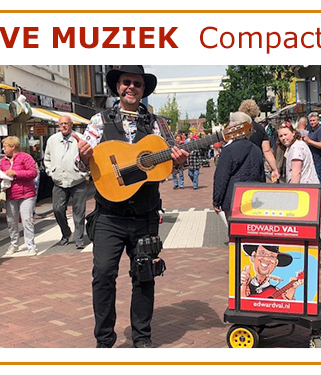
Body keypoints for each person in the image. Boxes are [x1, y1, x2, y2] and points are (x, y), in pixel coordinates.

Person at [73, 65, 189, 348]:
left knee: (145, 275)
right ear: (118, 87)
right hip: (108, 216)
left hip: (145, 215)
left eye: (137, 83)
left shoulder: (158, 125)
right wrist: (83, 156)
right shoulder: (100, 121)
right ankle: (104, 340)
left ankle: (142, 339)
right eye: (126, 82)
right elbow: (80, 165)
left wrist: (179, 162)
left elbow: (166, 166)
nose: (131, 88)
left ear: (143, 88)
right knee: (102, 275)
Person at [277, 123, 321, 267]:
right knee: (309, 225)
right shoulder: (300, 145)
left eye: (285, 134)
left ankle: (306, 255)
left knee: (301, 226)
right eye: (280, 136)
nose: (283, 138)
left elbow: (296, 171)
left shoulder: (296, 149)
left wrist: (292, 194)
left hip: (303, 191)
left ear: (293, 133)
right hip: (311, 189)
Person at [44, 115, 88, 249]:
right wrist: (51, 172)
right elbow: (47, 158)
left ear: (71, 125)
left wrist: (84, 173)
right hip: (59, 181)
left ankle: (79, 238)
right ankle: (66, 232)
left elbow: (89, 157)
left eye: (66, 123)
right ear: (58, 125)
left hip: (77, 180)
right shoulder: (52, 140)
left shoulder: (80, 138)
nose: (63, 126)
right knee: (57, 209)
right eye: (61, 124)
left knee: (79, 212)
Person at [212, 112, 266, 222]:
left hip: (233, 199)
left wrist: (216, 201)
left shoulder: (228, 150)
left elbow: (221, 177)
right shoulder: (256, 150)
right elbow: (261, 176)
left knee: (234, 233)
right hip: (253, 198)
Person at [1, 136, 39, 256]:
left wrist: (16, 173)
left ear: (13, 147)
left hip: (26, 193)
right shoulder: (3, 161)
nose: (3, 149)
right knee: (11, 221)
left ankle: (30, 245)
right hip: (11, 194)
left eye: (5, 146)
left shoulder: (26, 157)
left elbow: (33, 172)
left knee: (27, 219)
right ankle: (14, 244)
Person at [239, 99, 279, 182]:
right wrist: (274, 169)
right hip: (256, 165)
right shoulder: (260, 129)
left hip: (240, 165)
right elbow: (267, 151)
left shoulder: (237, 129)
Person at [302, 112, 321, 208]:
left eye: (314, 120)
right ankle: (317, 201)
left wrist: (309, 141)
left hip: (318, 159)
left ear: (318, 120)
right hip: (312, 160)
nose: (312, 122)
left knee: (320, 180)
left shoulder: (320, 130)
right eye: (311, 121)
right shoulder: (311, 131)